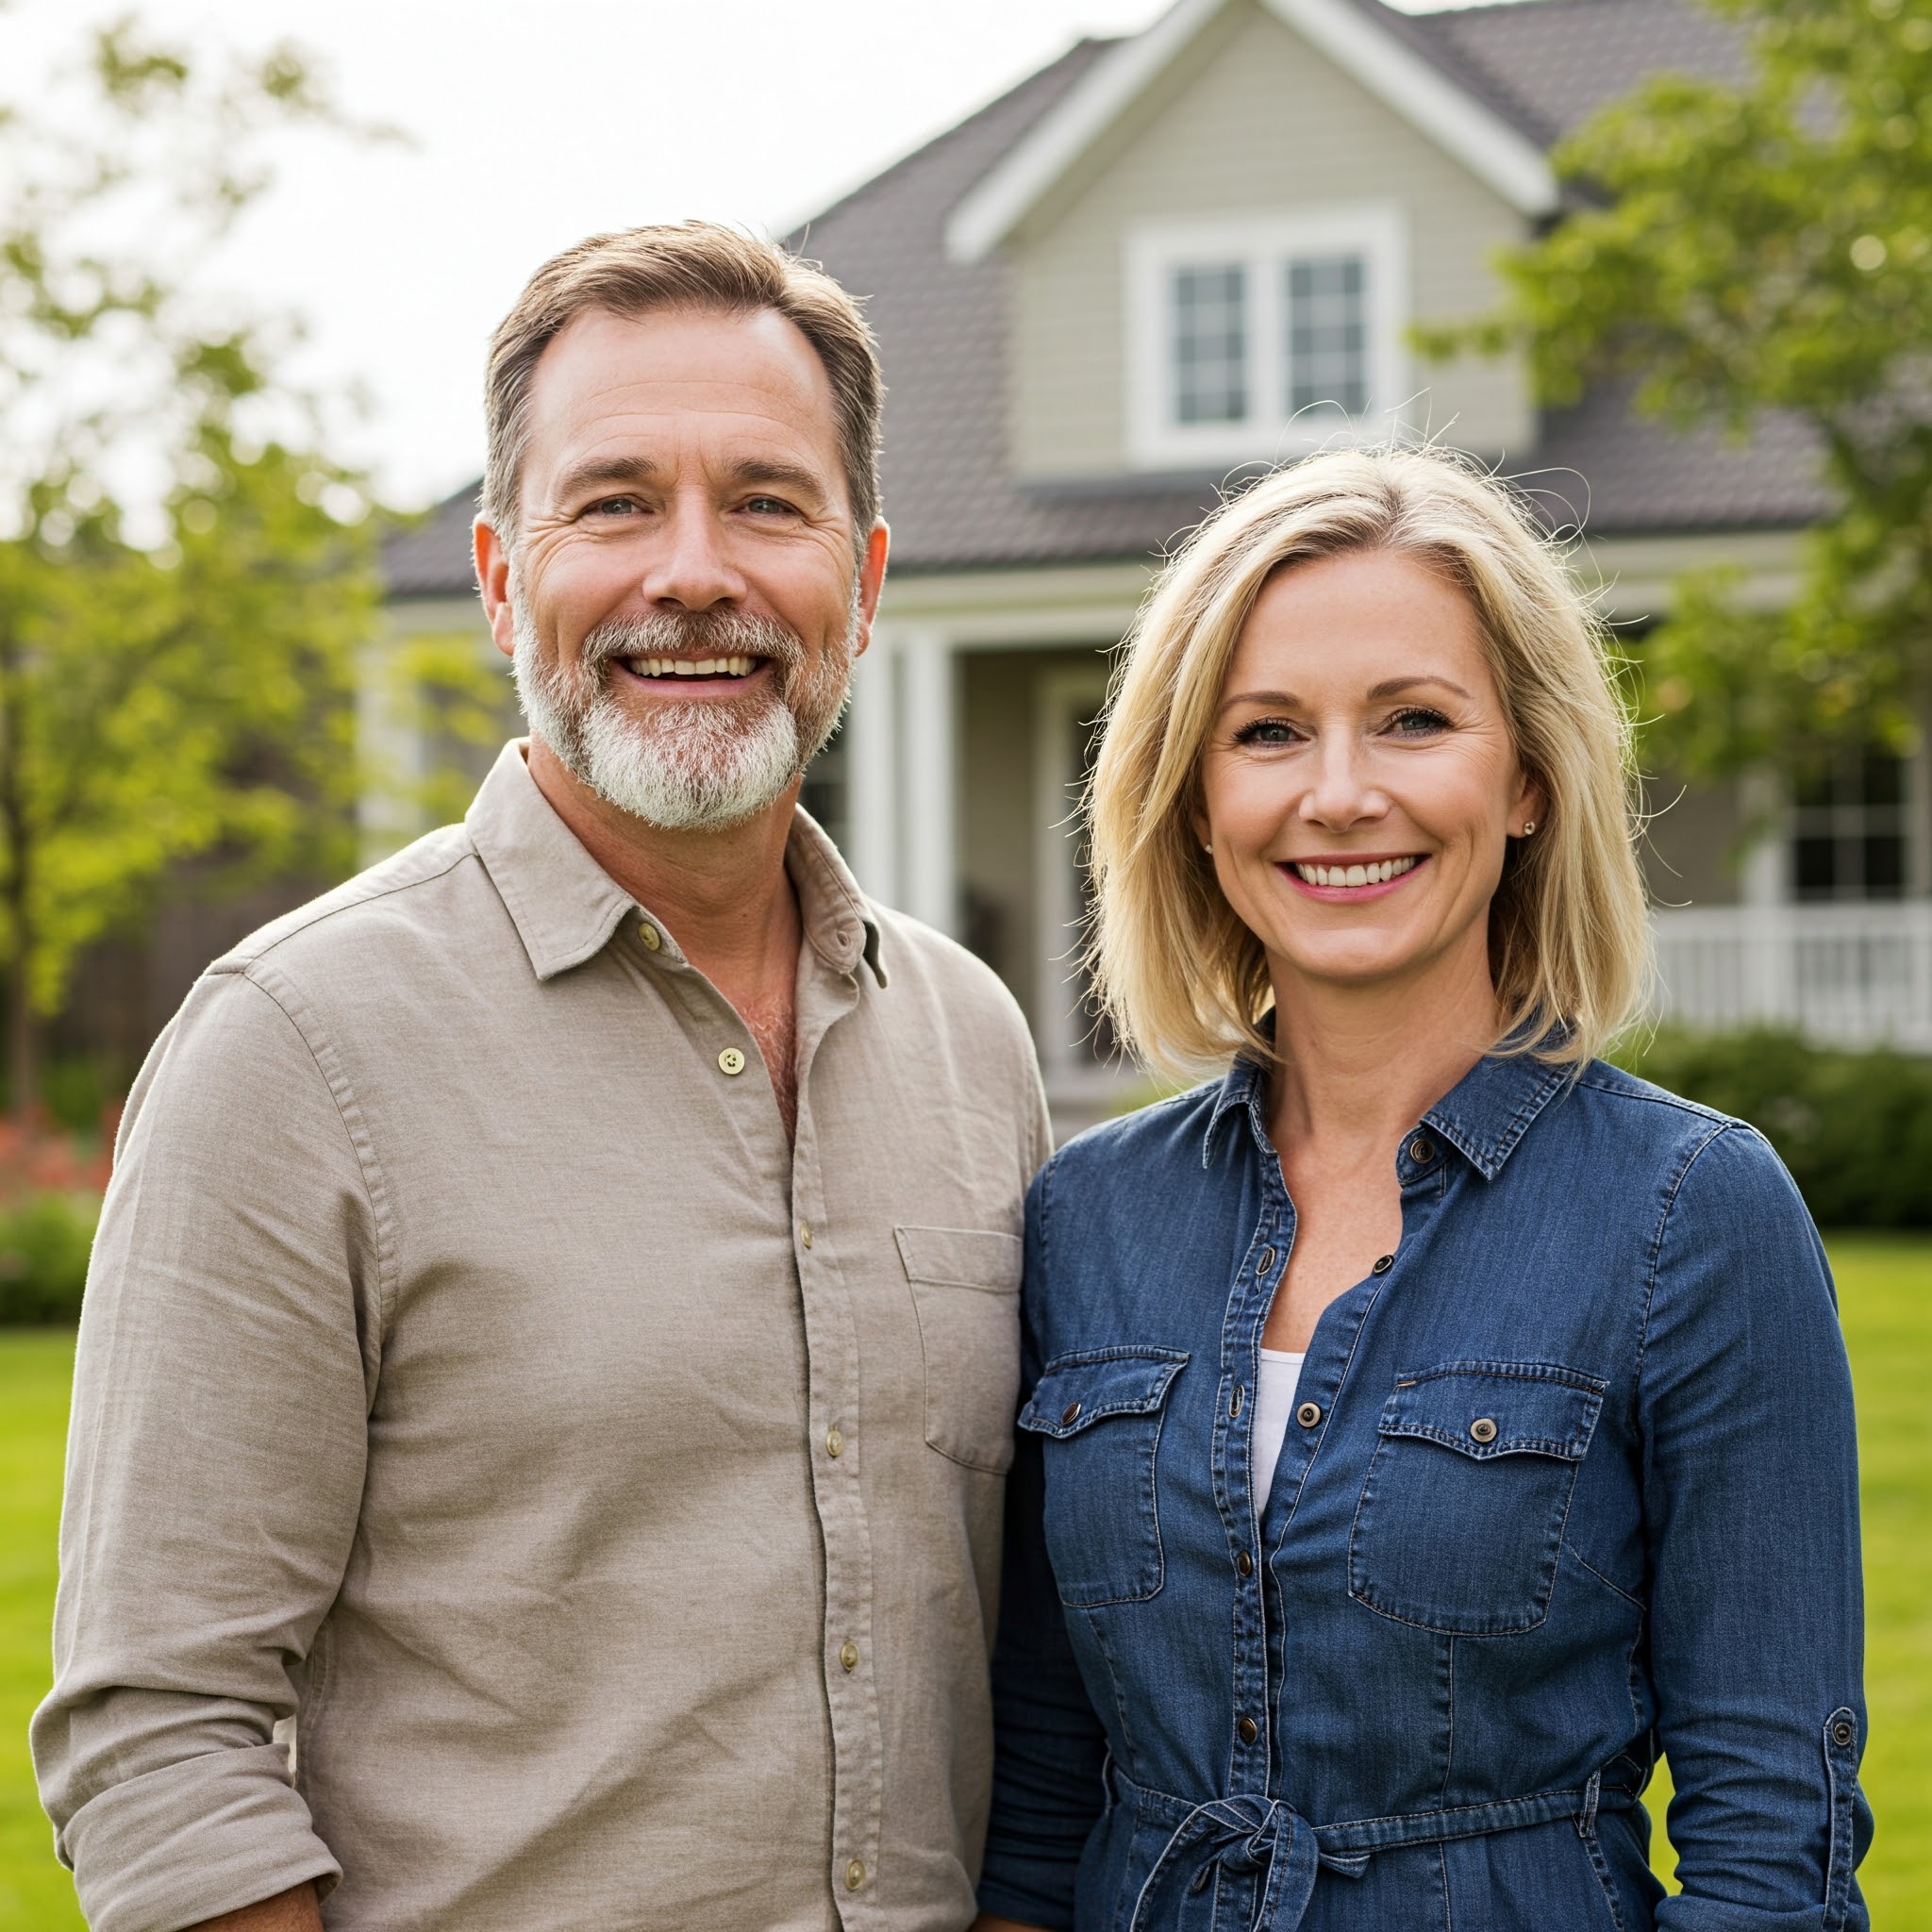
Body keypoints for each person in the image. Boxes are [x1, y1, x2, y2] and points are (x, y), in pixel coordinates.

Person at [34, 223, 1049, 1932]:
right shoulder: (291, 1049)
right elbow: (162, 1741)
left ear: (866, 582)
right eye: (616, 503)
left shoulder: (971, 1041)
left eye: (767, 503)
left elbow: (1023, 1667)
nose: (695, 573)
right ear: (504, 577)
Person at [972, 447, 1870, 1932]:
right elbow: (1043, 1779)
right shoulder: (1089, 1217)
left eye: (1414, 720)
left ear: (1526, 780)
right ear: (1195, 800)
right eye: (1268, 732)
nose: (1340, 795)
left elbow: (1773, 1833)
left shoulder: (1693, 1214)